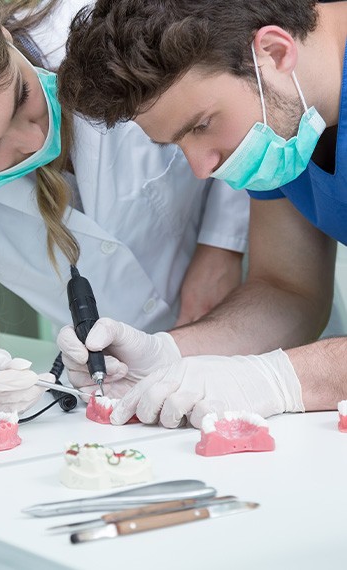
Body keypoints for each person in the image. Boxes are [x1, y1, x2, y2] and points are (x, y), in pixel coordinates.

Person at [0, 0, 249, 414]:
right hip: (117, 388)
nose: (33, 139)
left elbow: (246, 87)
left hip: (253, 315)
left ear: (5, 39)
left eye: (22, 97)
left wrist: (222, 243)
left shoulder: (109, 26)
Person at [56, 0, 347, 427]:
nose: (202, 167)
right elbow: (289, 290)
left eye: (201, 125)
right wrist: (168, 354)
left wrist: (277, 379)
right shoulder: (283, 120)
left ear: (275, 52)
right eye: (177, 143)